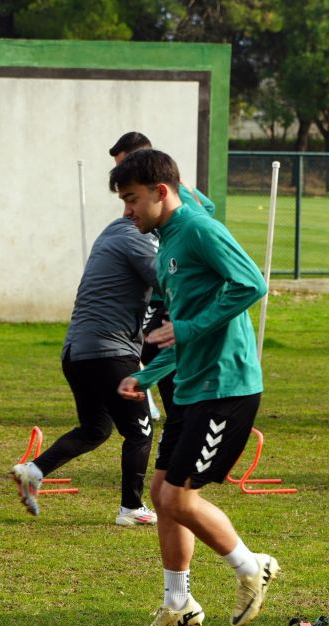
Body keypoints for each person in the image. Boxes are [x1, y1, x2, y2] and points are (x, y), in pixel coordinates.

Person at [109, 149, 280, 626]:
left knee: (179, 497)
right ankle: (178, 603)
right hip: (190, 386)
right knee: (163, 498)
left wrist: (185, 329)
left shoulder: (199, 229)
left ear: (162, 192)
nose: (128, 211)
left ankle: (253, 567)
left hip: (226, 388)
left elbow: (252, 283)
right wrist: (148, 373)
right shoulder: (165, 244)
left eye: (133, 199)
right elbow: (178, 331)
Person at [11, 216, 160, 527]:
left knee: (95, 429)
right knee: (140, 431)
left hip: (76, 352)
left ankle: (34, 471)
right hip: (111, 353)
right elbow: (168, 280)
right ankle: (131, 508)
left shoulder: (111, 236)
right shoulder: (139, 238)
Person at [110, 131, 215, 422]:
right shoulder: (160, 202)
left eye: (125, 165)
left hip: (170, 291)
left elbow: (205, 212)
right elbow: (209, 205)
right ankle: (176, 414)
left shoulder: (187, 214)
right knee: (154, 345)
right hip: (165, 287)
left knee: (155, 343)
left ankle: (178, 413)